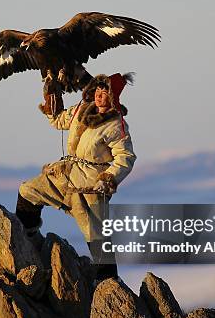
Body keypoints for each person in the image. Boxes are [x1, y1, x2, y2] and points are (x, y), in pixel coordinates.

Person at [15, 73, 136, 280]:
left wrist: (108, 179)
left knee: (96, 235)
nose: (99, 95)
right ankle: (28, 238)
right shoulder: (82, 109)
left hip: (90, 185)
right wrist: (52, 102)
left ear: (113, 97)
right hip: (64, 174)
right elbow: (59, 121)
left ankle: (108, 283)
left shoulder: (116, 125)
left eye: (104, 91)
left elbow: (126, 157)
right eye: (97, 90)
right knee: (28, 191)